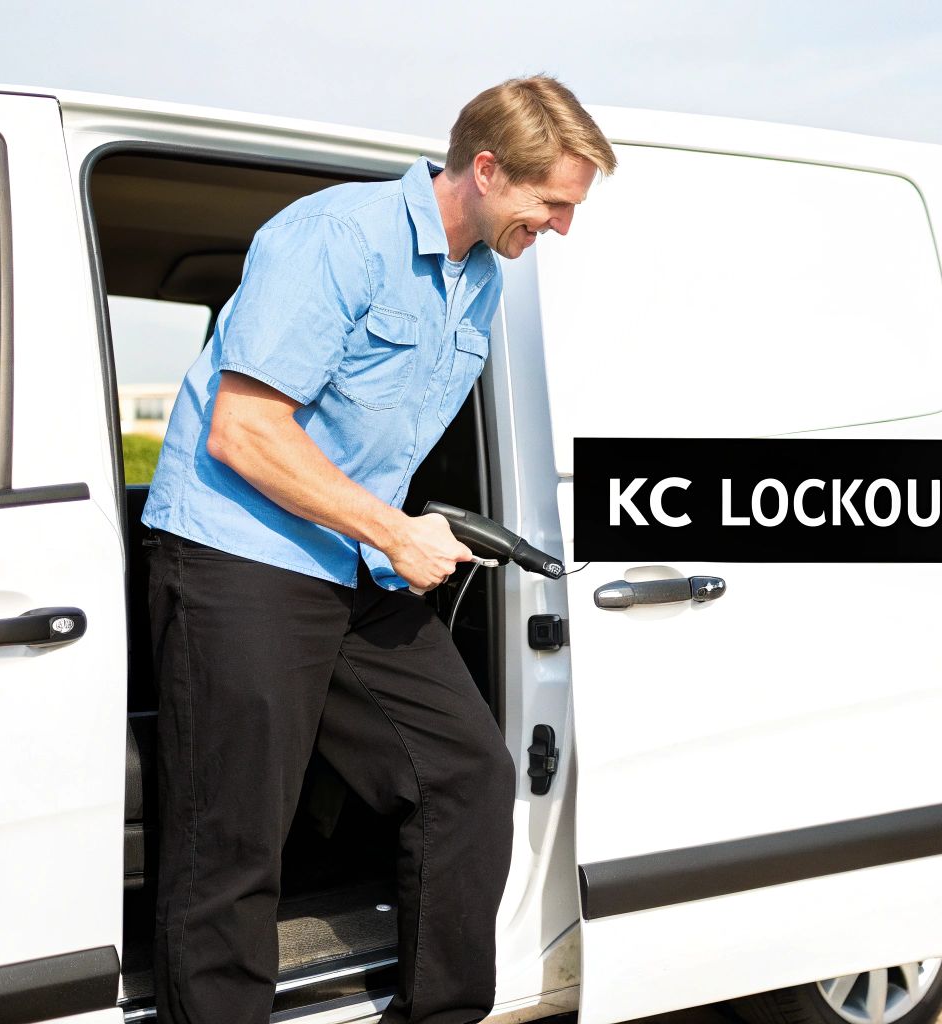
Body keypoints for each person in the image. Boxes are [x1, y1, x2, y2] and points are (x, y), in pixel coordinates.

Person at [139, 76, 616, 1024]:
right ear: (485, 169)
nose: (562, 227)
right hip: (240, 556)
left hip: (347, 560)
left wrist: (399, 530)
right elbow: (245, 430)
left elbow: (381, 440)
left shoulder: (479, 276)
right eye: (552, 202)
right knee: (231, 847)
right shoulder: (336, 238)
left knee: (466, 777)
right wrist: (392, 528)